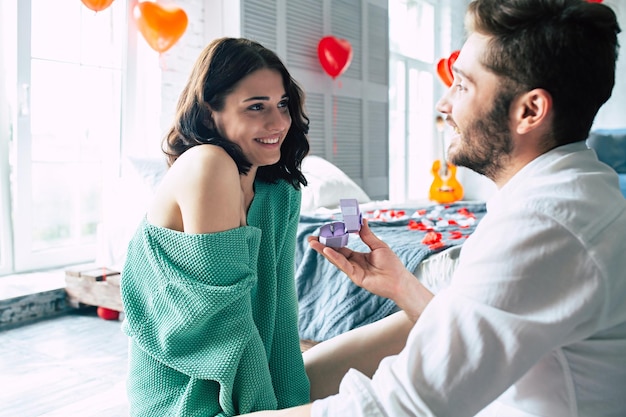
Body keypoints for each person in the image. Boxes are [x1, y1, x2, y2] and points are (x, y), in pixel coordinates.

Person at [240, 0, 626, 416]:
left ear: (529, 110)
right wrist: (400, 285)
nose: (444, 104)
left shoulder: (545, 222)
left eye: (461, 85)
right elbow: (471, 328)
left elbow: (400, 406)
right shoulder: (573, 189)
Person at [119, 37, 311, 416]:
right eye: (256, 107)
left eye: (282, 104)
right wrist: (269, 412)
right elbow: (226, 330)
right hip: (185, 398)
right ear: (211, 114)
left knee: (410, 327)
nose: (278, 123)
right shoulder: (207, 164)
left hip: (251, 385)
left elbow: (282, 320)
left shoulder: (279, 192)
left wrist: (295, 404)